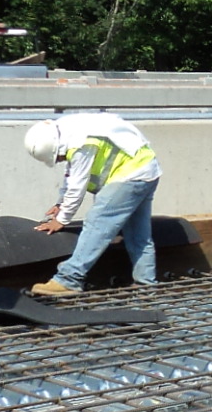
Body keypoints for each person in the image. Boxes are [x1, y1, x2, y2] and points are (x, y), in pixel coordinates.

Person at [24, 114, 161, 295]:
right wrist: (60, 203)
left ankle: (68, 279)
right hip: (147, 169)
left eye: (58, 157)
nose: (60, 160)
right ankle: (146, 284)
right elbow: (71, 173)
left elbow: (77, 186)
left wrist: (62, 219)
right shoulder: (69, 131)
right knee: (138, 234)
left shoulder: (80, 143)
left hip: (130, 175)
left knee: (97, 223)